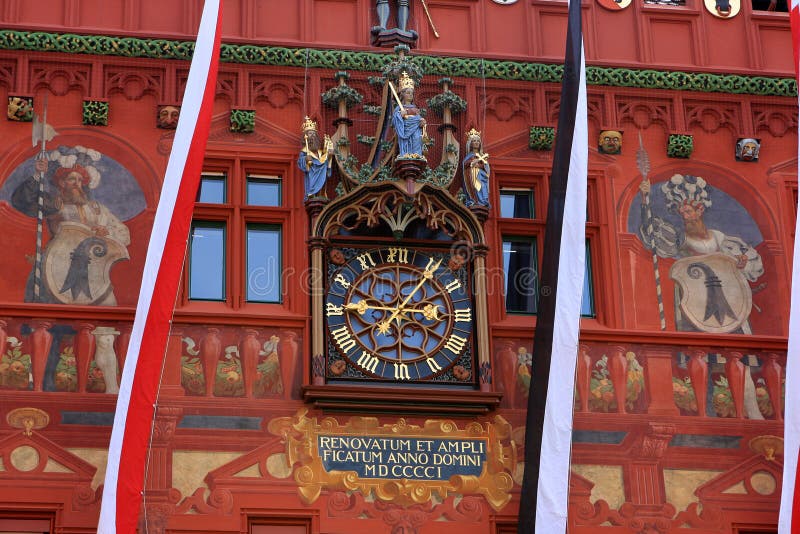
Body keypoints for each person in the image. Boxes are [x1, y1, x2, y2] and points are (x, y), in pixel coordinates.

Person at [638, 174, 765, 419]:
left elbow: (753, 266)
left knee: (741, 361)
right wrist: (645, 202)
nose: (689, 215)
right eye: (684, 211)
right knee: (702, 359)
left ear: (701, 210)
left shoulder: (722, 239)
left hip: (730, 303)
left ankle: (753, 411)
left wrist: (742, 261)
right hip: (695, 304)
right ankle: (704, 412)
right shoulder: (680, 239)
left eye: (693, 209)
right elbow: (652, 235)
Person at [11, 157, 130, 304]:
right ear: (62, 182)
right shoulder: (54, 204)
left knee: (108, 307)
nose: (77, 184)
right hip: (57, 264)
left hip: (92, 267)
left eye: (80, 180)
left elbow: (123, 233)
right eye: (72, 179)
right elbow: (21, 201)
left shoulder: (96, 208)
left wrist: (106, 233)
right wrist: (37, 174)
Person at [297, 117, 333, 199]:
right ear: (305, 136)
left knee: (322, 191)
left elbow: (325, 161)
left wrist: (329, 157)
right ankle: (312, 193)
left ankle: (321, 194)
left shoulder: (320, 151)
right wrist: (306, 159)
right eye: (310, 133)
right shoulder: (304, 151)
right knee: (312, 189)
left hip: (322, 174)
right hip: (312, 175)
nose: (312, 135)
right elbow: (300, 162)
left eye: (313, 133)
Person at [392, 72, 426, 158]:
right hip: (405, 131)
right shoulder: (399, 108)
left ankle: (417, 156)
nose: (410, 95)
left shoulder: (415, 108)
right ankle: (406, 155)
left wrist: (422, 122)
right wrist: (400, 115)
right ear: (403, 94)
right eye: (408, 93)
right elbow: (394, 120)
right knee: (406, 143)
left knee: (417, 139)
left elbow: (418, 119)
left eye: (412, 93)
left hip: (416, 130)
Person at [462, 128, 490, 207]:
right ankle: (474, 199)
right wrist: (472, 163)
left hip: (481, 176)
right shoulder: (469, 155)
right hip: (472, 176)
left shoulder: (482, 156)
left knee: (482, 186)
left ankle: (483, 201)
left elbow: (486, 167)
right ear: (470, 143)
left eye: (478, 141)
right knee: (475, 186)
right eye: (474, 141)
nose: (476, 143)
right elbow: (465, 164)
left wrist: (480, 166)